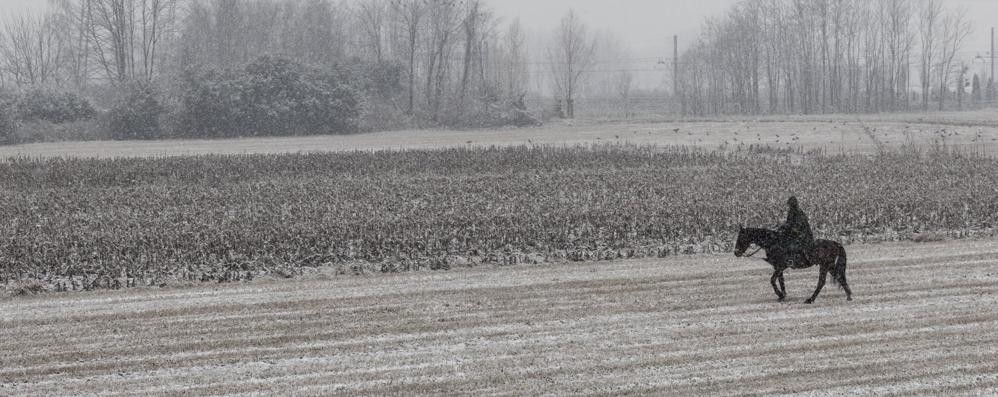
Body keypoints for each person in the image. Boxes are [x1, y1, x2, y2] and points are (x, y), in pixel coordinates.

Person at [778, 196, 814, 267]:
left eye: (789, 204)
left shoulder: (797, 212)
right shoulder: (793, 211)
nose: (789, 206)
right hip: (796, 232)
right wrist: (782, 227)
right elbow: (789, 223)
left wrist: (790, 228)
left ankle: (792, 260)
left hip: (802, 233)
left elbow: (797, 224)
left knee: (791, 244)